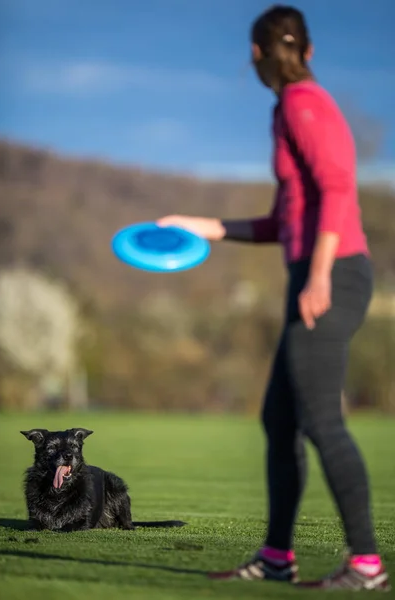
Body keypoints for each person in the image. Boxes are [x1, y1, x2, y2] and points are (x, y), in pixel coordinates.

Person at [157, 4, 391, 593]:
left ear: (257, 56)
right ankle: (277, 557)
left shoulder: (301, 104)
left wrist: (316, 276)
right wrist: (208, 225)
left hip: (331, 273)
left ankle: (366, 563)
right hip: (319, 268)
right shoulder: (298, 106)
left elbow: (338, 188)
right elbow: (285, 220)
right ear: (308, 51)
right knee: (279, 418)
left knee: (318, 419)